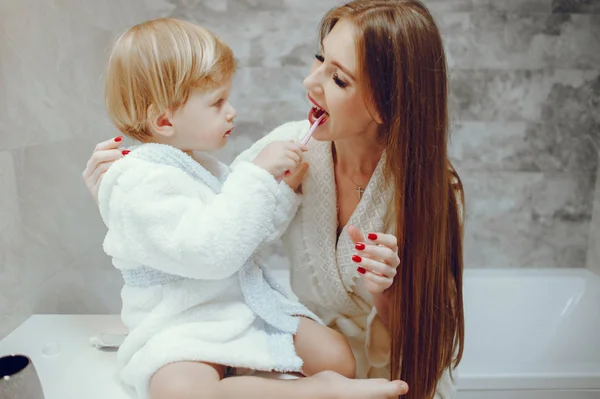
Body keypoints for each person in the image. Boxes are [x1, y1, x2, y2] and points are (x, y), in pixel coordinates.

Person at [83, 1, 464, 398]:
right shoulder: (292, 149)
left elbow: (433, 338)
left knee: (336, 358)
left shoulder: (432, 193)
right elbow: (232, 223)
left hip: (395, 370)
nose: (310, 82)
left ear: (384, 103)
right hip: (288, 362)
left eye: (338, 79)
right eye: (319, 60)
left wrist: (387, 295)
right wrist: (117, 205)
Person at [98, 17, 368, 399]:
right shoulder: (137, 182)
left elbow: (242, 233)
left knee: (337, 356)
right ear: (164, 119)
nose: (232, 112)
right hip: (181, 324)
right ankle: (314, 391)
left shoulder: (201, 166)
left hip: (235, 310)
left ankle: (238, 371)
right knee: (180, 393)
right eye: (217, 102)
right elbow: (213, 254)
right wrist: (257, 175)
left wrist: (284, 191)